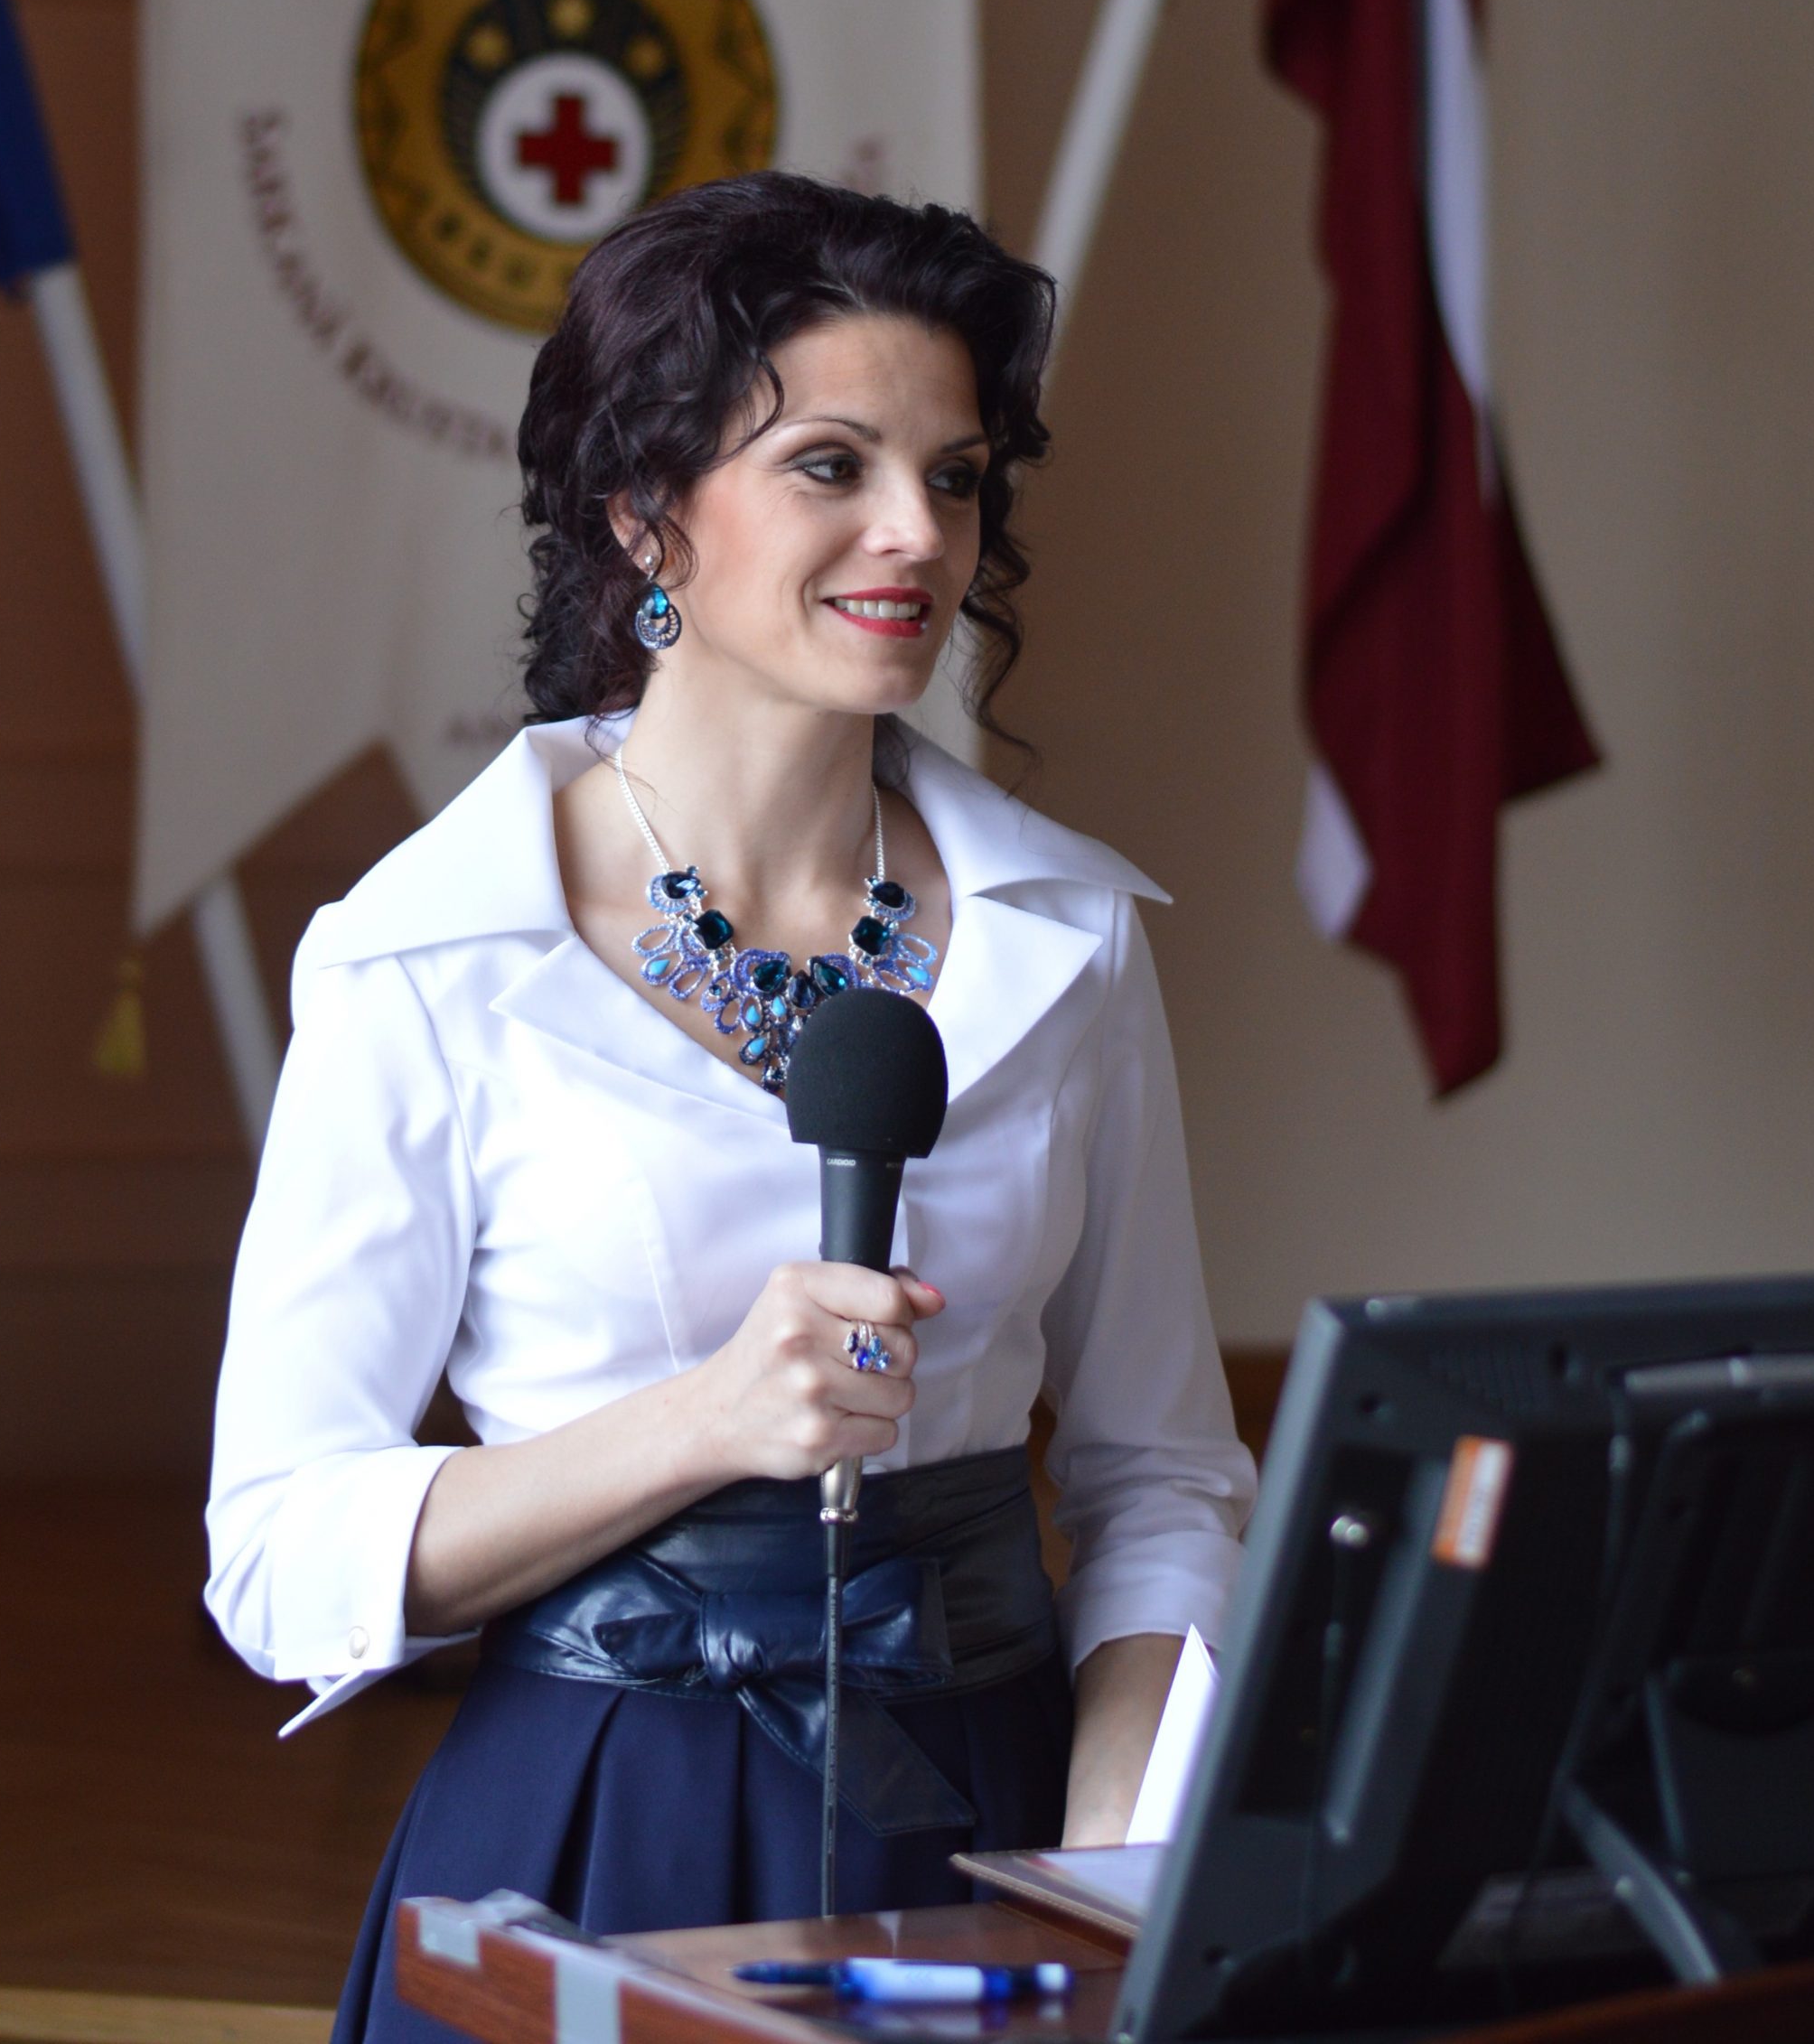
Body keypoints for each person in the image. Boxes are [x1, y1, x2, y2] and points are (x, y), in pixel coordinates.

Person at [203, 173, 1255, 2044]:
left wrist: (1112, 1861)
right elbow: (279, 1551)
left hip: (1004, 1817)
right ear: (643, 510)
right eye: (832, 465)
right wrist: (703, 1423)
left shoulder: (1071, 939)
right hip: (604, 1825)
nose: (914, 531)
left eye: (954, 475)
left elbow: (1159, 1475)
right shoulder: (429, 955)